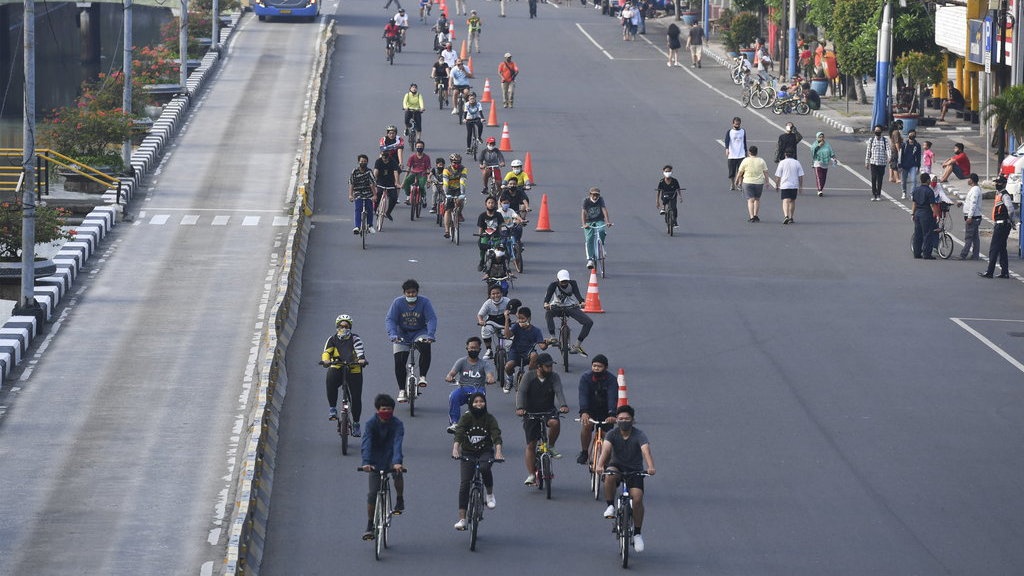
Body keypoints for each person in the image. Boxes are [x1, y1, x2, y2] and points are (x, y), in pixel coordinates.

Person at [595, 404, 655, 554]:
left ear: (633, 420)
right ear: (616, 420)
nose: (624, 421)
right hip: (617, 466)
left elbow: (646, 450)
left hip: (635, 470)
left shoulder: (639, 434)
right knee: (609, 476)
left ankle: (637, 533)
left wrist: (650, 466)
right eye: (621, 419)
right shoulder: (612, 434)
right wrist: (600, 465)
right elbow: (606, 450)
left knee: (638, 499)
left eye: (627, 419)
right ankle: (610, 506)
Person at [515, 352, 569, 483]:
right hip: (531, 412)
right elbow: (521, 392)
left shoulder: (554, 377)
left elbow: (559, 391)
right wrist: (520, 408)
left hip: (548, 410)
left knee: (555, 423)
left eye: (551, 366)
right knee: (531, 444)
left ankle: (551, 446)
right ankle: (531, 475)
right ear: (539, 367)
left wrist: (563, 405)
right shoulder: (529, 376)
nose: (550, 368)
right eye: (547, 366)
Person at [452, 392, 504, 529]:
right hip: (468, 453)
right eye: (475, 402)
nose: (479, 404)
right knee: (465, 484)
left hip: (485, 452)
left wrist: (498, 452)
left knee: (484, 468)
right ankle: (462, 519)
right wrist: (455, 449)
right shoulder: (466, 417)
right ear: (471, 404)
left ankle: (490, 494)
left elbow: (496, 435)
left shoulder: (489, 418)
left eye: (481, 401)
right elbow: (459, 433)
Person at [360, 393, 405, 541]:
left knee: (398, 473)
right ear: (377, 409)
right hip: (374, 460)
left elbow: (397, 443)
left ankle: (399, 498)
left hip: (391, 456)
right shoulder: (371, 424)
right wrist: (366, 462)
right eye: (383, 409)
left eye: (389, 409)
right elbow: (366, 442)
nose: (386, 411)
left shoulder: (397, 424)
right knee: (372, 494)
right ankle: (369, 525)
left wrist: (397, 462)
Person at [384, 279, 438, 402]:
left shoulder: (424, 302)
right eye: (408, 293)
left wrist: (430, 335)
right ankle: (402, 390)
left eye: (413, 292)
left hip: (419, 331)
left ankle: (422, 376)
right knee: (399, 362)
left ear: (417, 292)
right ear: (404, 293)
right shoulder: (397, 303)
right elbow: (390, 319)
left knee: (425, 346)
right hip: (401, 333)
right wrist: (392, 334)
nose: (411, 295)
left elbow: (431, 319)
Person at [320, 314, 368, 433]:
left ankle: (356, 423)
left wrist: (361, 360)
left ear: (350, 327)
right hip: (337, 366)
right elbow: (326, 352)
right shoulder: (332, 339)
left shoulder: (355, 339)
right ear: (337, 327)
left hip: (353, 368)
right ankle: (332, 409)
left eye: (346, 326)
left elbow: (360, 351)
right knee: (330, 381)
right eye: (341, 326)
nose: (344, 328)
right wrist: (326, 361)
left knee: (356, 397)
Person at [445, 337, 497, 432]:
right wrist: (449, 377)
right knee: (453, 396)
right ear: (467, 348)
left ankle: (476, 421)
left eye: (475, 348)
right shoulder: (461, 361)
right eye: (471, 348)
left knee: (478, 400)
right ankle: (454, 423)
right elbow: (451, 373)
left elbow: (490, 375)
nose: (473, 350)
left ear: (479, 349)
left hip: (478, 389)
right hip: (463, 389)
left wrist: (490, 379)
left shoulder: (484, 364)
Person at [576, 354, 617, 464]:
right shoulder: (585, 378)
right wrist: (584, 412)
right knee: (587, 425)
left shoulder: (612, 380)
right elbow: (583, 395)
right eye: (594, 366)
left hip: (606, 411)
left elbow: (612, 397)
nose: (596, 368)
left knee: (606, 435)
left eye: (599, 366)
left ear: (606, 368)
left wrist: (612, 414)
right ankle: (584, 452)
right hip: (590, 409)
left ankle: (606, 459)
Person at [543, 269, 593, 356]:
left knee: (589, 322)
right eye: (562, 281)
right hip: (557, 307)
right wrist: (546, 304)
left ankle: (577, 345)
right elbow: (547, 299)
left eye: (566, 281)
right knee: (548, 313)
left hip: (571, 307)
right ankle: (553, 337)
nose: (564, 283)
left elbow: (578, 295)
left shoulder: (573, 283)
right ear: (558, 280)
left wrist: (582, 302)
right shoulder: (553, 285)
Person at [501, 305, 548, 392]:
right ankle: (509, 380)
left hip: (528, 353)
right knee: (508, 366)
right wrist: (506, 319)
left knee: (534, 355)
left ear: (529, 318)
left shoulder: (536, 331)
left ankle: (529, 377)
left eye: (523, 319)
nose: (521, 321)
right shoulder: (516, 327)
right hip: (515, 352)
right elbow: (507, 335)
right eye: (519, 319)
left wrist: (547, 343)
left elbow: (542, 347)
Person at [979, 176, 1016, 278]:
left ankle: (990, 272)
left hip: (1002, 225)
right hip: (1002, 224)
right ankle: (1005, 272)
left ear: (1004, 184)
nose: (996, 184)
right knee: (1002, 248)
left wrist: (1012, 221)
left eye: (999, 183)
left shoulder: (1005, 195)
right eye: (996, 182)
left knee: (994, 248)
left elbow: (1011, 209)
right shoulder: (999, 194)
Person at [735, 145, 771, 222]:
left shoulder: (745, 160)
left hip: (747, 182)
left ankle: (751, 216)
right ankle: (756, 215)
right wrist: (767, 182)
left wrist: (737, 180)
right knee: (757, 199)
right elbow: (766, 172)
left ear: (749, 152)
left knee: (750, 200)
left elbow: (740, 172)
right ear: (756, 152)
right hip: (759, 182)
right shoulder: (761, 160)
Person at [582, 187, 612, 270]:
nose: (595, 197)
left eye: (597, 195)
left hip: (599, 220)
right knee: (589, 238)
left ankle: (601, 248)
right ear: (590, 194)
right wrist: (584, 224)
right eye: (593, 195)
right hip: (589, 221)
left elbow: (604, 210)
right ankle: (590, 259)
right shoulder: (586, 201)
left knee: (601, 231)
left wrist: (607, 221)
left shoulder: (600, 200)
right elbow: (583, 212)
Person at [477, 285, 510, 359]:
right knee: (485, 329)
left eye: (498, 293)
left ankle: (510, 354)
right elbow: (480, 315)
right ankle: (489, 350)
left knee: (510, 342)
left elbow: (516, 311)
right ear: (490, 295)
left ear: (502, 293)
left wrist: (519, 319)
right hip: (492, 323)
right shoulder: (487, 303)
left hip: (505, 324)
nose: (496, 295)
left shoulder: (507, 301)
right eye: (493, 294)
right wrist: (481, 321)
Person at [910, 173, 937, 260]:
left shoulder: (916, 190)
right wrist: (936, 215)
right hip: (926, 214)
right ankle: (926, 254)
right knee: (927, 234)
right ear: (928, 180)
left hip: (917, 214)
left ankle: (917, 253)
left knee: (918, 234)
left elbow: (914, 203)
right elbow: (932, 205)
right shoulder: (929, 191)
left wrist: (912, 214)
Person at [349, 154, 377, 234]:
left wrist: (375, 195)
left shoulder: (369, 172)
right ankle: (357, 226)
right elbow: (351, 183)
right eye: (361, 161)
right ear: (358, 162)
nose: (363, 163)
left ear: (367, 162)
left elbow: (372, 184)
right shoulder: (354, 171)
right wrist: (350, 195)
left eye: (365, 161)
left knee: (369, 208)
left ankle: (370, 226)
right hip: (358, 192)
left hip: (368, 192)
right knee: (358, 208)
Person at [774, 149, 803, 225]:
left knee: (785, 200)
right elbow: (800, 176)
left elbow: (778, 175)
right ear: (793, 155)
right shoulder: (797, 162)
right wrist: (800, 186)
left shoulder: (782, 163)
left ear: (785, 154)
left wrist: (776, 185)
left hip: (785, 184)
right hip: (794, 184)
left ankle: (786, 216)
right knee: (792, 201)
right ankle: (791, 217)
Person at [442, 153, 468, 238]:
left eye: (458, 162)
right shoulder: (446, 170)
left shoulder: (463, 169)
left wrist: (462, 193)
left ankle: (459, 213)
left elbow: (462, 181)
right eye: (454, 162)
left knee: (460, 200)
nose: (456, 164)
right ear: (451, 162)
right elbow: (445, 183)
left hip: (458, 189)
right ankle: (447, 231)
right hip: (449, 189)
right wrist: (446, 194)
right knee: (448, 210)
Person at [476, 195, 505, 271]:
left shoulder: (498, 215)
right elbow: (480, 228)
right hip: (486, 236)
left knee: (500, 250)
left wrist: (502, 234)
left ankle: (504, 264)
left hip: (496, 236)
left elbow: (501, 226)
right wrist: (480, 236)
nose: (491, 204)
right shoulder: (482, 216)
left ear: (495, 204)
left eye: (492, 203)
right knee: (482, 247)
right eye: (489, 203)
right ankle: (482, 261)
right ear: (486, 204)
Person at [373, 148, 402, 222]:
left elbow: (395, 172)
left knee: (394, 197)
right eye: (383, 157)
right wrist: (374, 180)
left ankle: (388, 212)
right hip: (381, 181)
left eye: (386, 158)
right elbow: (376, 171)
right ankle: (375, 208)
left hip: (390, 182)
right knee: (379, 193)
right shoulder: (378, 161)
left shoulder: (393, 161)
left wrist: (396, 182)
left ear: (389, 156)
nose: (384, 160)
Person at [959, 173, 983, 260]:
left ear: (972, 180)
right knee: (975, 237)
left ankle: (963, 254)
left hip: (973, 217)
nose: (967, 180)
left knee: (968, 237)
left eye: (969, 178)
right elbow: (970, 202)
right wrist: (962, 203)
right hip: (975, 216)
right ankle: (975, 255)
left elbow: (973, 204)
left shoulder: (975, 190)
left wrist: (970, 217)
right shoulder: (974, 189)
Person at [864, 124, 890, 201]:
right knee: (873, 178)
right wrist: (867, 162)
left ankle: (878, 194)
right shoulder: (871, 140)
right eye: (876, 131)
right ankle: (873, 194)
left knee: (880, 179)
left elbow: (888, 150)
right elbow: (868, 151)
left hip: (882, 163)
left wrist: (890, 157)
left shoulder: (884, 140)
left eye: (878, 131)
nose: (877, 132)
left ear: (881, 131)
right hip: (873, 162)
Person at [403, 140, 431, 205]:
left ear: (423, 148)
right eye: (418, 147)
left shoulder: (426, 157)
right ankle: (408, 197)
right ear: (415, 147)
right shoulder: (412, 157)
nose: (419, 148)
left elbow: (428, 169)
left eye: (421, 147)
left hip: (422, 174)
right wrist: (404, 181)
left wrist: (428, 179)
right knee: (406, 183)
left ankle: (423, 197)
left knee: (421, 186)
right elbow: (408, 168)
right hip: (413, 174)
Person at [810, 132, 837, 197]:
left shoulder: (827, 144)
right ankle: (819, 190)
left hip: (825, 163)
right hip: (817, 162)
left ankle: (821, 189)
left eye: (822, 137)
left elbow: (831, 152)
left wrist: (834, 158)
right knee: (819, 177)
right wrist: (819, 146)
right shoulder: (815, 144)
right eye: (819, 137)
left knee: (823, 178)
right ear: (817, 138)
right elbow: (813, 151)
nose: (821, 138)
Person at [724, 116, 747, 191]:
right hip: (732, 155)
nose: (737, 125)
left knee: (741, 171)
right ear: (733, 124)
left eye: (738, 124)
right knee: (732, 172)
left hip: (741, 154)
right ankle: (733, 184)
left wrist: (746, 151)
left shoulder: (743, 131)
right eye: (736, 124)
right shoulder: (729, 132)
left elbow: (744, 142)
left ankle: (740, 184)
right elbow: (727, 140)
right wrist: (727, 149)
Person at [899, 130, 922, 200]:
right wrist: (900, 165)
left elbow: (918, 157)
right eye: (910, 134)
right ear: (908, 135)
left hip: (913, 165)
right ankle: (904, 192)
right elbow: (901, 155)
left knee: (914, 180)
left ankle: (912, 193)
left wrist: (918, 166)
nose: (912, 136)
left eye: (913, 135)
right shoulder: (904, 145)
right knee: (903, 180)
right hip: (904, 165)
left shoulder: (917, 145)